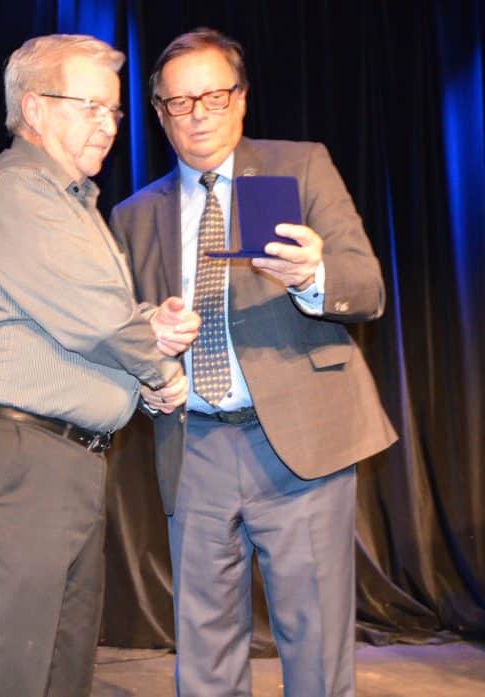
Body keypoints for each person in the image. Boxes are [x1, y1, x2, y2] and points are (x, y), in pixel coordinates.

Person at [109, 27, 398, 697]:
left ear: (241, 99)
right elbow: (127, 335)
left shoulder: (299, 167)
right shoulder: (132, 215)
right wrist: (152, 362)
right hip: (194, 440)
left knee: (314, 638)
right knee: (203, 649)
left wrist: (312, 276)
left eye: (212, 95)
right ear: (158, 113)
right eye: (178, 102)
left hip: (299, 438)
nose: (197, 114)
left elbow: (369, 286)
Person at [0, 34, 200, 697]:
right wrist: (164, 374)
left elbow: (80, 323)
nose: (107, 125)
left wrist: (152, 326)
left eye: (114, 111)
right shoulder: (18, 189)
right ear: (32, 107)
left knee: (62, 678)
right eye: (89, 106)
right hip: (24, 462)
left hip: (70, 465)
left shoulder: (73, 202)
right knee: (13, 678)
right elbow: (95, 319)